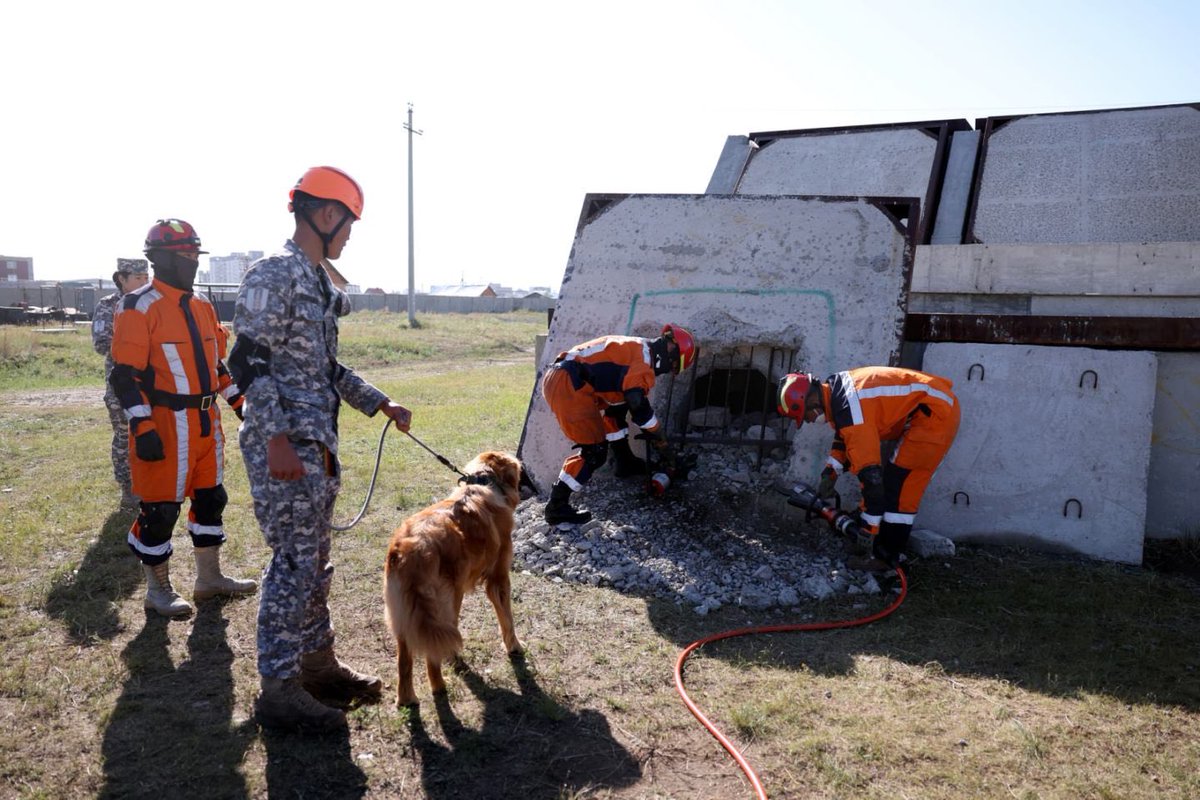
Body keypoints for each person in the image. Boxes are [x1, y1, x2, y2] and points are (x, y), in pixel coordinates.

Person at [228, 166, 413, 732]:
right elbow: (247, 363)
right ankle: (279, 690)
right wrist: (277, 440)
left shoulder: (315, 281)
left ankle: (317, 665)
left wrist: (379, 402)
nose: (350, 236)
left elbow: (324, 368)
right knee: (292, 565)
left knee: (314, 563)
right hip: (287, 447)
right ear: (327, 215)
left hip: (317, 446)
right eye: (349, 225)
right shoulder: (274, 273)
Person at [109, 219, 258, 618]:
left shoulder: (203, 305)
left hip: (206, 424)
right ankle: (158, 590)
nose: (192, 261)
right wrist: (142, 426)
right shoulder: (138, 306)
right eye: (184, 255)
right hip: (164, 425)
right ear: (158, 259)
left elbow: (216, 366)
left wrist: (241, 406)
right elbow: (125, 376)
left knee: (211, 499)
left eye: (194, 254)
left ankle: (209, 579)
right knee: (160, 511)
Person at [777, 366, 960, 571]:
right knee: (893, 484)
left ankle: (887, 557)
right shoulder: (837, 393)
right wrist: (831, 471)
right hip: (931, 406)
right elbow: (844, 436)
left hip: (935, 416)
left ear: (812, 401)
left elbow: (872, 480)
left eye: (806, 416)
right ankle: (880, 536)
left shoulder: (852, 414)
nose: (809, 421)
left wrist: (867, 530)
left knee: (900, 487)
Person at [540, 324, 698, 524]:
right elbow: (639, 407)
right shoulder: (643, 363)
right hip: (568, 384)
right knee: (594, 452)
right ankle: (557, 507)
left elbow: (625, 396)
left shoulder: (640, 348)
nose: (669, 371)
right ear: (672, 352)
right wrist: (659, 436)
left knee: (616, 410)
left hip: (566, 377)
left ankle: (625, 462)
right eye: (674, 366)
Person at [92, 258, 150, 507]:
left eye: (146, 278)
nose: (144, 282)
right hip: (122, 384)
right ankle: (128, 487)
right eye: (138, 278)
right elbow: (101, 343)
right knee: (125, 435)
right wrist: (135, 344)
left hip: (152, 382)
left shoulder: (153, 302)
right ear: (122, 279)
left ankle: (152, 483)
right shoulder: (109, 305)